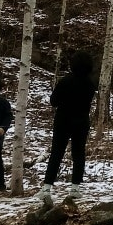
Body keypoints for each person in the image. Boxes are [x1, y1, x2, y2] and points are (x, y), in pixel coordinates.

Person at [41, 51, 98, 198]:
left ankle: (47, 187)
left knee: (57, 153)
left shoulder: (65, 81)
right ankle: (75, 187)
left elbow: (53, 101)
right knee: (78, 153)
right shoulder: (90, 84)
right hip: (82, 121)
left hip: (63, 120)